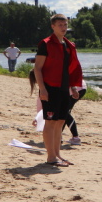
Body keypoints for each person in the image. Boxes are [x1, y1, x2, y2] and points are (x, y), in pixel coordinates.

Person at [33, 14, 83, 167]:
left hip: (63, 88)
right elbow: (37, 68)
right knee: (51, 122)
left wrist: (73, 87)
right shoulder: (46, 44)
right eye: (60, 25)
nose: (63, 27)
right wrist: (42, 89)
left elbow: (68, 70)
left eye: (65, 24)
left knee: (60, 121)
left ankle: (57, 154)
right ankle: (50, 158)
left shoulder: (68, 45)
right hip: (50, 88)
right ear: (53, 26)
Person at [29, 71, 84, 145]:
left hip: (77, 88)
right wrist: (37, 118)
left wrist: (74, 89)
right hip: (71, 88)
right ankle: (60, 137)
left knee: (65, 113)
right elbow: (42, 109)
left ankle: (75, 137)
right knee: (63, 114)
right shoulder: (46, 86)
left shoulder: (48, 84)